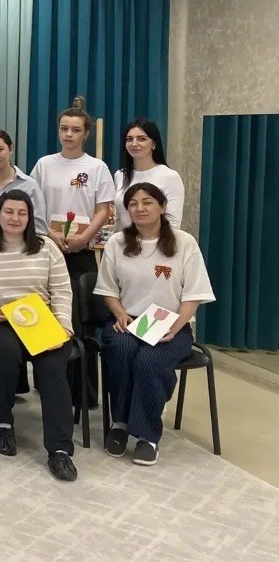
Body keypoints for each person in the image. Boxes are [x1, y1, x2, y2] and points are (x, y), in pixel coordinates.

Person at [96, 183, 215, 467]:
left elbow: (194, 294)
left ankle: (147, 435)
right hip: (128, 320)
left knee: (149, 361)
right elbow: (108, 289)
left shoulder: (184, 242)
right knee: (121, 351)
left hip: (171, 323)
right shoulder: (117, 243)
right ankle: (120, 423)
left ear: (162, 207)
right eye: (133, 204)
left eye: (147, 202)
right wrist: (119, 313)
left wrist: (175, 326)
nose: (140, 208)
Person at [0, 190, 77, 481]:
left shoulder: (47, 248)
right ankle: (2, 421)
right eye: (9, 211)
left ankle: (60, 450)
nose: (15, 218)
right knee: (4, 352)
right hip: (2, 320)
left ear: (30, 218)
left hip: (42, 321)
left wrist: (63, 326)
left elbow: (62, 291)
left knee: (52, 368)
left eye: (22, 213)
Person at [30, 97, 115, 281]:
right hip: (47, 245)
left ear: (86, 134)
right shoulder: (44, 164)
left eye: (76, 130)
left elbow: (103, 210)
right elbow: (33, 206)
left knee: (81, 296)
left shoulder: (97, 167)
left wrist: (83, 238)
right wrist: (50, 234)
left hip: (82, 250)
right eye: (64, 129)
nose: (69, 134)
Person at [114, 119, 185, 229]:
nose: (134, 144)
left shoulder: (170, 176)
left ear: (154, 144)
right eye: (129, 139)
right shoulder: (120, 175)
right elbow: (119, 219)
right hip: (125, 238)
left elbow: (173, 223)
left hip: (159, 239)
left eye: (141, 139)